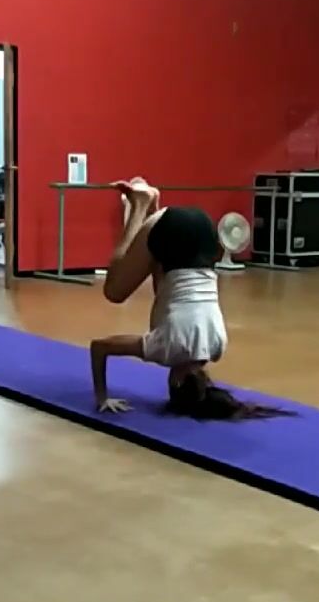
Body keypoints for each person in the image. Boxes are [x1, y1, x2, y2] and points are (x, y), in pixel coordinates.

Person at [90, 179, 291, 421]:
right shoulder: (166, 350)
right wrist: (103, 398)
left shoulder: (217, 347)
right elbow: (99, 347)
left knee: (166, 290)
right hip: (169, 229)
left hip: (205, 230)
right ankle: (140, 205)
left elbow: (167, 292)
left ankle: (153, 208)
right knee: (114, 292)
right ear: (176, 381)